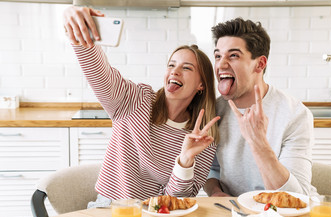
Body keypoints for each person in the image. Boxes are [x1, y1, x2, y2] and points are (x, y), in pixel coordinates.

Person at [63, 6, 220, 202]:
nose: (175, 71)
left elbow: (176, 202)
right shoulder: (134, 101)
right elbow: (99, 72)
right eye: (171, 65)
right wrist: (76, 25)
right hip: (110, 211)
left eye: (186, 67)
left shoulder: (202, 138)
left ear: (201, 85)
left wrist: (185, 160)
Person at [204, 17, 316, 197]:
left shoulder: (295, 115)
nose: (221, 64)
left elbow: (297, 197)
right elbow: (212, 170)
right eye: (218, 56)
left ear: (260, 64)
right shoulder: (214, 111)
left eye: (233, 55)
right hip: (233, 213)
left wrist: (258, 142)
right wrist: (216, 193)